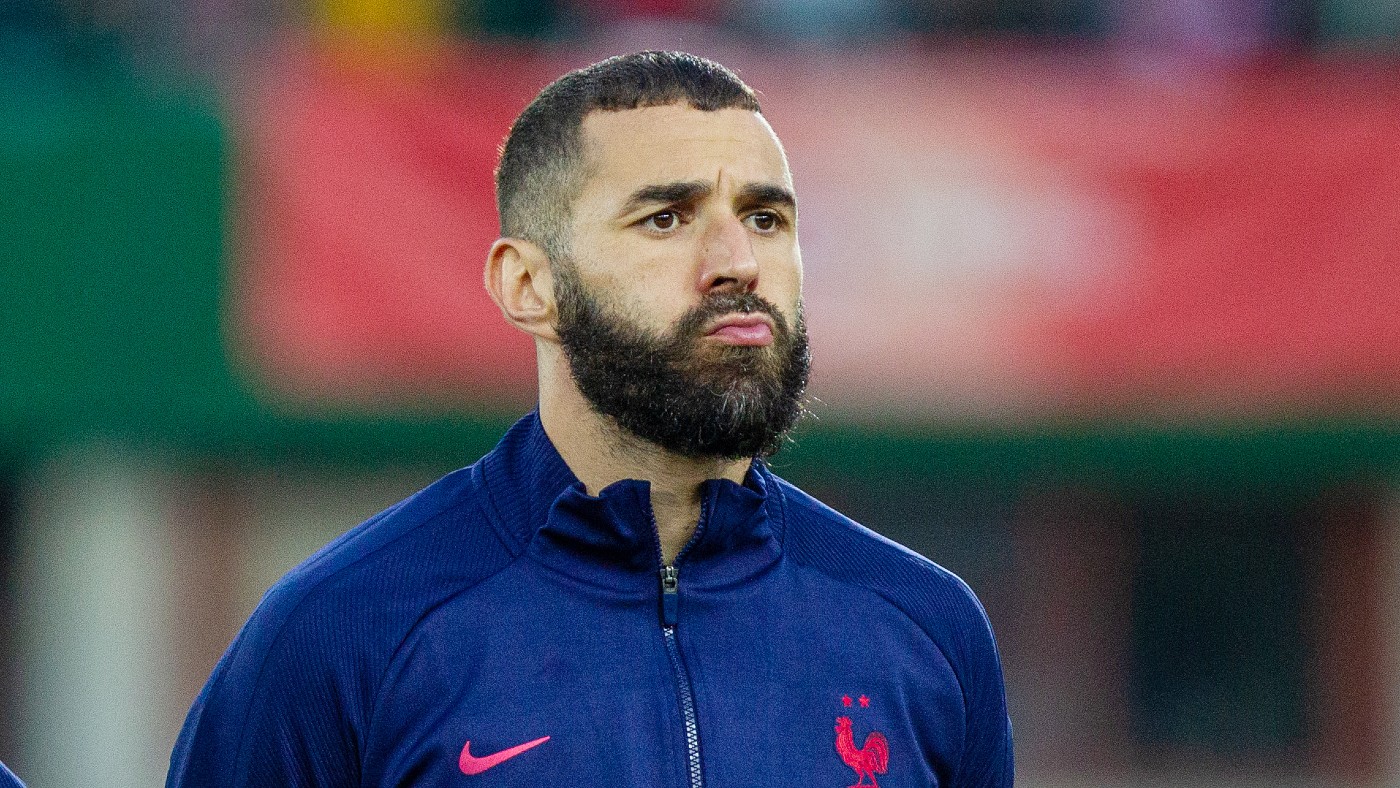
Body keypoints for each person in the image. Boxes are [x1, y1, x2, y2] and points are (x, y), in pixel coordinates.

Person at [168, 50, 1013, 787]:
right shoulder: (344, 634)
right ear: (528, 286)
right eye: (665, 218)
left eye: (765, 218)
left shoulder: (924, 628)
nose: (737, 263)